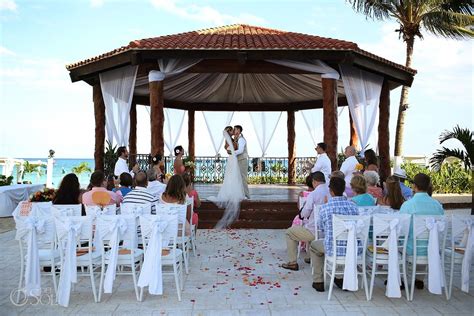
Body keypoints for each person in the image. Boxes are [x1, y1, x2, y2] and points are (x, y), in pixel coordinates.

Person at [309, 177, 359, 292]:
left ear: (330, 191)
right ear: (343, 190)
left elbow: (321, 228)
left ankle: (318, 281)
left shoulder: (325, 208)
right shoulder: (353, 206)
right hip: (352, 247)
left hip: (333, 248)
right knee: (343, 240)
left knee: (314, 246)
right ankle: (339, 277)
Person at [399, 173, 444, 289]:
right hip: (432, 247)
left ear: (414, 186)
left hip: (412, 248)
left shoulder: (408, 205)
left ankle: (401, 278)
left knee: (398, 242)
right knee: (424, 239)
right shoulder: (437, 205)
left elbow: (402, 230)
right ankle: (419, 279)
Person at [281, 172, 330, 271]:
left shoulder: (314, 194)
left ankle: (292, 262)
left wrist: (301, 214)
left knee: (290, 232)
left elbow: (305, 214)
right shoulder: (331, 191)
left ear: (314, 182)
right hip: (329, 232)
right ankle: (310, 257)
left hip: (314, 231)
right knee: (312, 227)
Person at [208, 127, 246, 228]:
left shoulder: (231, 140)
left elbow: (230, 149)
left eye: (234, 130)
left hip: (232, 159)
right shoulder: (231, 140)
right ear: (229, 132)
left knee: (232, 177)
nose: (233, 132)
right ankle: (232, 192)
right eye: (232, 130)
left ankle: (231, 191)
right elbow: (232, 149)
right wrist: (233, 148)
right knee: (232, 176)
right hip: (232, 159)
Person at [233, 125, 250, 199]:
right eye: (234, 129)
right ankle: (241, 194)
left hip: (242, 161)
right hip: (239, 160)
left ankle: (246, 195)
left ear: (239, 131)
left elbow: (240, 150)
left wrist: (232, 152)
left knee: (243, 178)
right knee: (239, 178)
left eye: (236, 129)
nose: (234, 131)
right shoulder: (237, 139)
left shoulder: (241, 139)